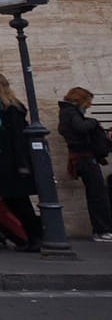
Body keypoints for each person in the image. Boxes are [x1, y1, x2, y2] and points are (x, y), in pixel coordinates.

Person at [0, 71, 41, 251]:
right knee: (13, 200)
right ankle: (31, 235)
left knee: (19, 202)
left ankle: (35, 237)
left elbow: (18, 138)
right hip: (2, 162)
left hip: (14, 163)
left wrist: (22, 165)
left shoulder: (11, 108)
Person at [56, 87, 112, 242]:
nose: (89, 106)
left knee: (96, 194)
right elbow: (81, 128)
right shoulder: (71, 113)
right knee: (97, 195)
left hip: (81, 158)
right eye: (87, 103)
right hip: (85, 158)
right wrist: (93, 122)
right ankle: (102, 230)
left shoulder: (66, 112)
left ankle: (102, 229)